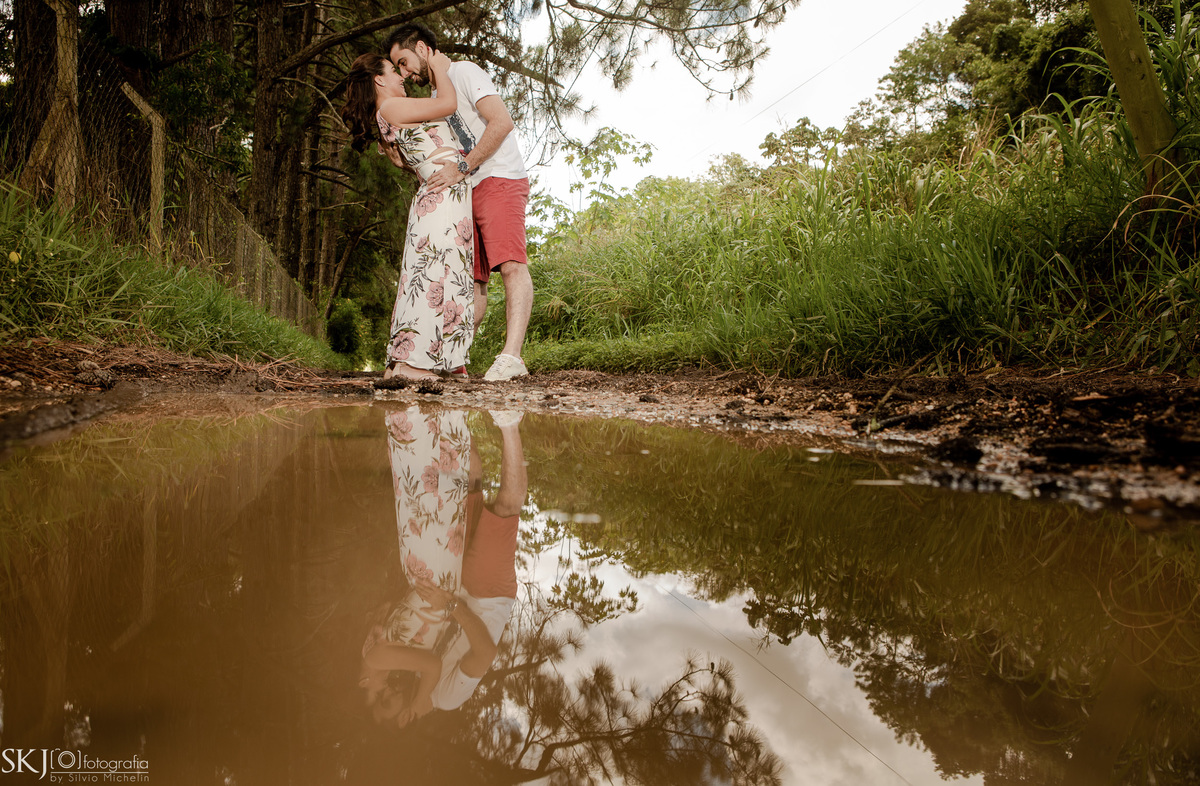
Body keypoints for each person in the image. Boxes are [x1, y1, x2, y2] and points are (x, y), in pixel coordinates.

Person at [386, 24, 534, 382]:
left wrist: (464, 166)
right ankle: (452, 361)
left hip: (498, 177)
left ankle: (511, 357)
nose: (405, 73)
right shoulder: (440, 92)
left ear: (422, 48)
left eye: (404, 62)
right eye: (397, 68)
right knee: (473, 283)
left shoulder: (463, 71)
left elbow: (501, 123)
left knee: (511, 265)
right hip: (467, 188)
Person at [340, 52, 475, 382]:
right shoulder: (390, 107)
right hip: (442, 196)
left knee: (440, 274)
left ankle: (428, 362)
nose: (401, 76)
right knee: (433, 275)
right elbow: (447, 104)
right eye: (393, 70)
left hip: (444, 195)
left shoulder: (387, 113)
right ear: (379, 80)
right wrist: (441, 70)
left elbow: (409, 157)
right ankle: (412, 364)